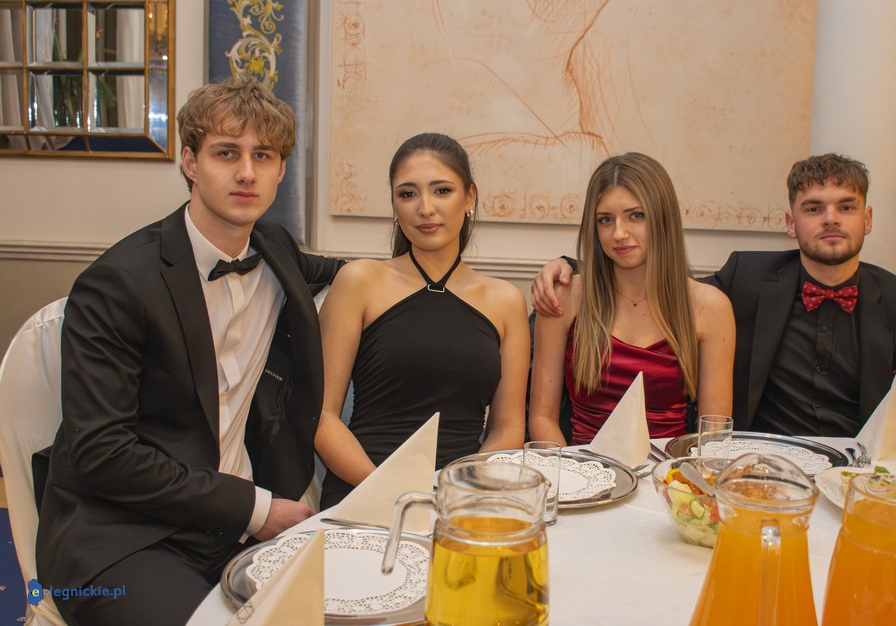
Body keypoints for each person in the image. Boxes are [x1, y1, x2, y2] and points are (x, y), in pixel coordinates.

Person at [34, 77, 345, 626]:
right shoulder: (118, 283)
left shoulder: (275, 249)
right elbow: (102, 453)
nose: (246, 172)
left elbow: (359, 277)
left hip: (230, 530)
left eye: (263, 156)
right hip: (123, 538)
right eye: (226, 153)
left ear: (280, 170)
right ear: (190, 162)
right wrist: (257, 508)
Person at [533, 153, 896, 438]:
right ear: (790, 222)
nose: (830, 220)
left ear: (868, 219)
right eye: (813, 208)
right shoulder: (745, 277)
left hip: (855, 477)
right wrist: (566, 266)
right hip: (759, 465)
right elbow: (645, 280)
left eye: (846, 207)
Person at [314, 132, 529, 508]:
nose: (425, 208)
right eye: (408, 193)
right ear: (394, 204)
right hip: (363, 487)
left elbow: (508, 428)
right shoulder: (359, 281)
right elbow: (322, 417)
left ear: (470, 198)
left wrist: (459, 490)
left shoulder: (505, 301)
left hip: (462, 497)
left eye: (442, 191)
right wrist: (389, 491)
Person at [528, 152, 734, 445]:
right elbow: (542, 419)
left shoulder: (710, 308)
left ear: (663, 218)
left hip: (669, 469)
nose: (619, 233)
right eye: (605, 220)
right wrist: (573, 471)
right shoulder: (565, 297)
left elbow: (713, 433)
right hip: (581, 466)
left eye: (636, 215)